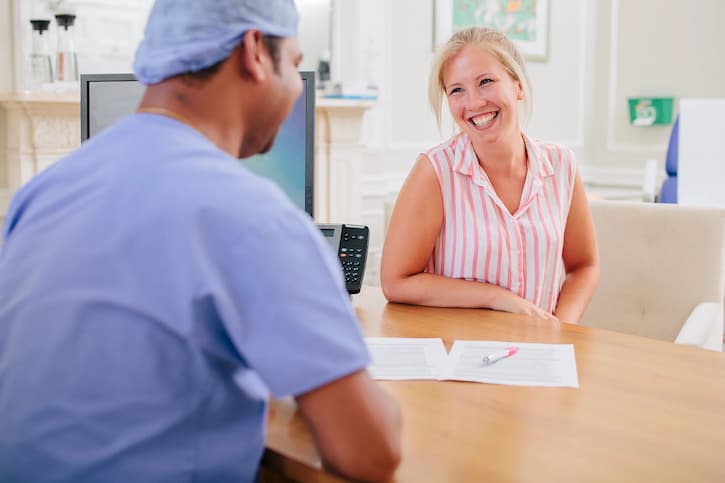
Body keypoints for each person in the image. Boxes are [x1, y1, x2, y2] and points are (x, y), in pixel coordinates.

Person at [0, 1, 401, 482]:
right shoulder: (255, 216)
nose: (297, 88)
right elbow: (370, 452)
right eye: (295, 64)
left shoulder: (43, 191)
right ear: (255, 51)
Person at [381, 27, 599, 323]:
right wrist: (497, 298)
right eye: (457, 90)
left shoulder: (561, 166)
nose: (473, 103)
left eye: (485, 82)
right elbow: (396, 282)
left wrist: (561, 327)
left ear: (518, 85)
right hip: (457, 354)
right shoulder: (435, 172)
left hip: (540, 354)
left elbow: (584, 266)